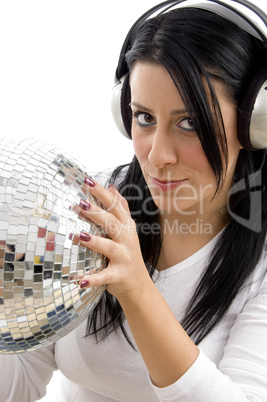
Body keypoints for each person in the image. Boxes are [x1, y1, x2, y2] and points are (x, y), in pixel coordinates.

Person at [1, 0, 267, 400]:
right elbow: (19, 382)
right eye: (144, 117)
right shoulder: (92, 207)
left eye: (190, 122)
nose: (158, 155)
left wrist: (137, 289)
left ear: (255, 123)